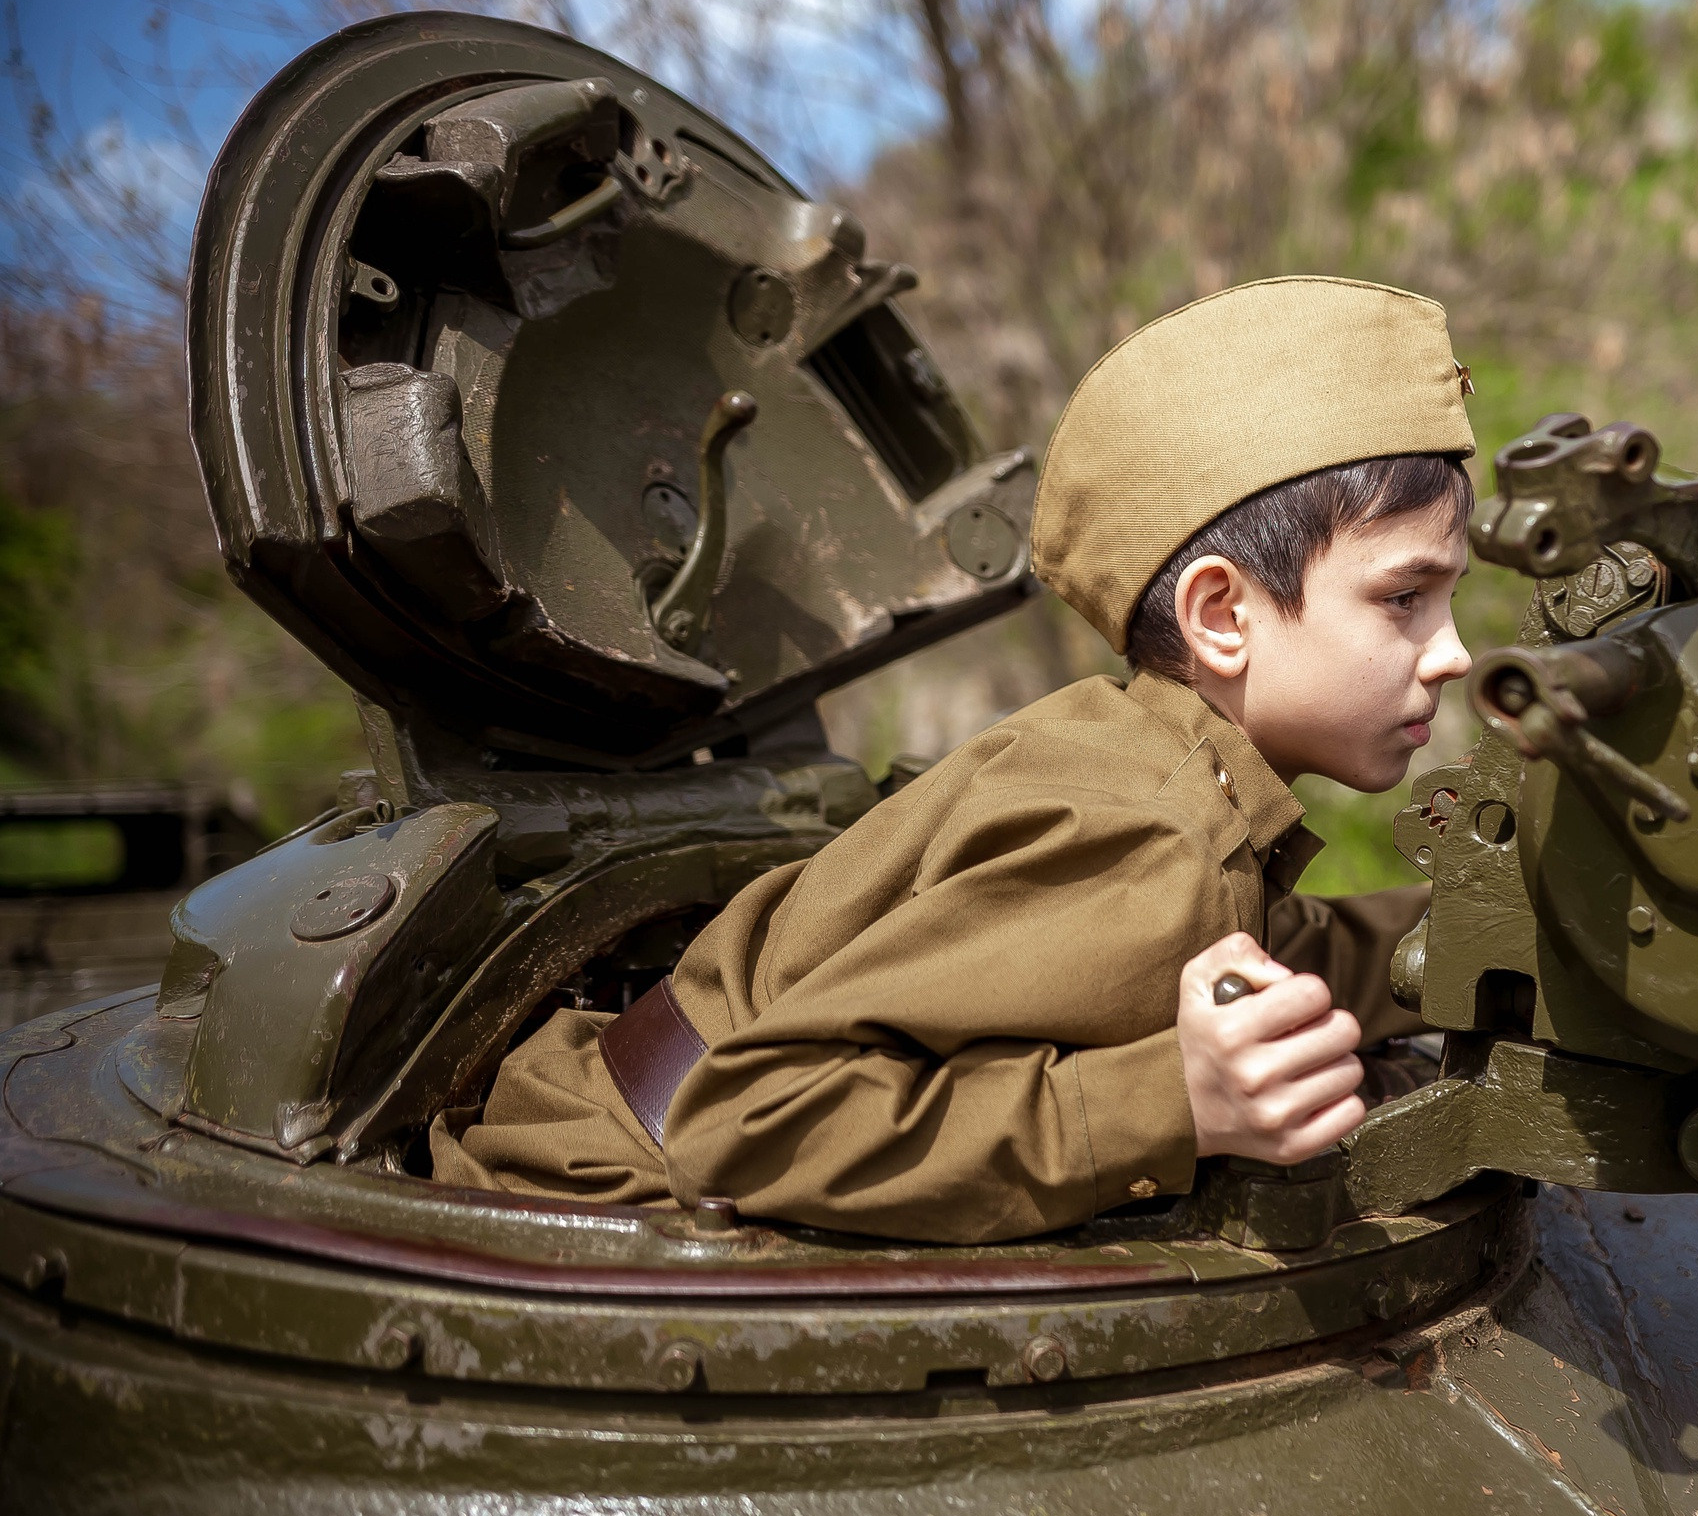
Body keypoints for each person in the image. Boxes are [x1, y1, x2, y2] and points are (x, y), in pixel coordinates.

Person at [432, 275, 1477, 1243]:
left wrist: (1495, 933)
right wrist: (1174, 1103)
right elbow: (748, 1122)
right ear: (1220, 614)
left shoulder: (1144, 752)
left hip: (601, 1127)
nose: (1454, 650)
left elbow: (1275, 950)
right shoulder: (1147, 836)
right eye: (1402, 598)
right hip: (603, 1212)